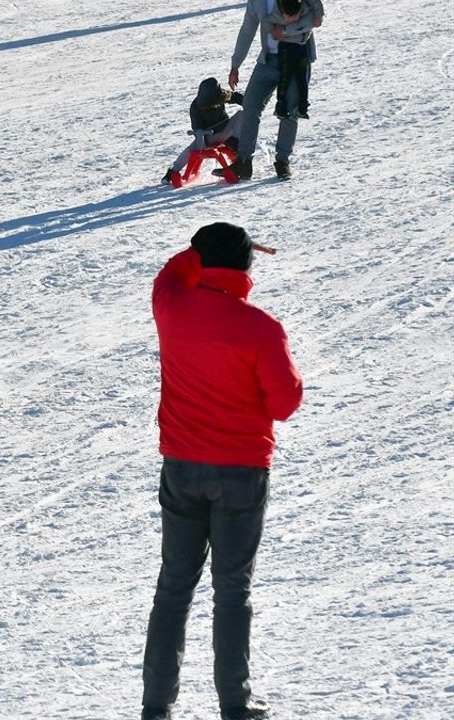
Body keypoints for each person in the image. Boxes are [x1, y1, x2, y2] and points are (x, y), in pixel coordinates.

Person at [141, 223, 304, 720]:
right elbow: (284, 402)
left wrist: (201, 251)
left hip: (182, 467)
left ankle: (156, 707)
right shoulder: (260, 327)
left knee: (173, 588)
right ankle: (235, 704)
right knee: (233, 590)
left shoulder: (172, 308)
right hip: (240, 472)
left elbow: (171, 272)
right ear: (247, 269)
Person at [223, 0, 324, 180]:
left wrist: (285, 32)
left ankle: (282, 162)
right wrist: (235, 64)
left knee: (290, 111)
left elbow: (314, 19)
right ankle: (244, 162)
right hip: (268, 61)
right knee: (250, 105)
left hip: (296, 62)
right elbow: (248, 28)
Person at [162, 78, 245, 185]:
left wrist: (247, 102)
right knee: (191, 150)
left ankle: (239, 158)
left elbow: (234, 96)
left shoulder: (221, 95)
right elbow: (197, 128)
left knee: (241, 114)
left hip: (227, 129)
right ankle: (172, 172)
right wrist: (200, 134)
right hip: (209, 136)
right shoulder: (196, 107)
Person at [269, 0, 320, 119]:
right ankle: (281, 105)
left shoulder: (306, 8)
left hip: (302, 47)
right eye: (288, 16)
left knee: (302, 77)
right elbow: (271, 25)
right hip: (287, 48)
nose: (292, 20)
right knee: (286, 75)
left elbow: (312, 18)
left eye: (295, 16)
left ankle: (303, 105)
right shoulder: (278, 9)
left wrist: (287, 30)